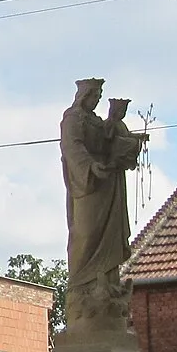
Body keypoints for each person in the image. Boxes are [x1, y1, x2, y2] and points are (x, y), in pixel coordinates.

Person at [60, 78, 147, 332]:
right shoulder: (72, 119)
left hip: (108, 181)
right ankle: (81, 287)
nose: (97, 99)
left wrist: (127, 142)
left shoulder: (97, 121)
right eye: (94, 95)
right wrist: (90, 166)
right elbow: (72, 147)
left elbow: (110, 140)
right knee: (86, 233)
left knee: (109, 234)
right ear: (83, 95)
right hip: (87, 181)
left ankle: (107, 282)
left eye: (99, 95)